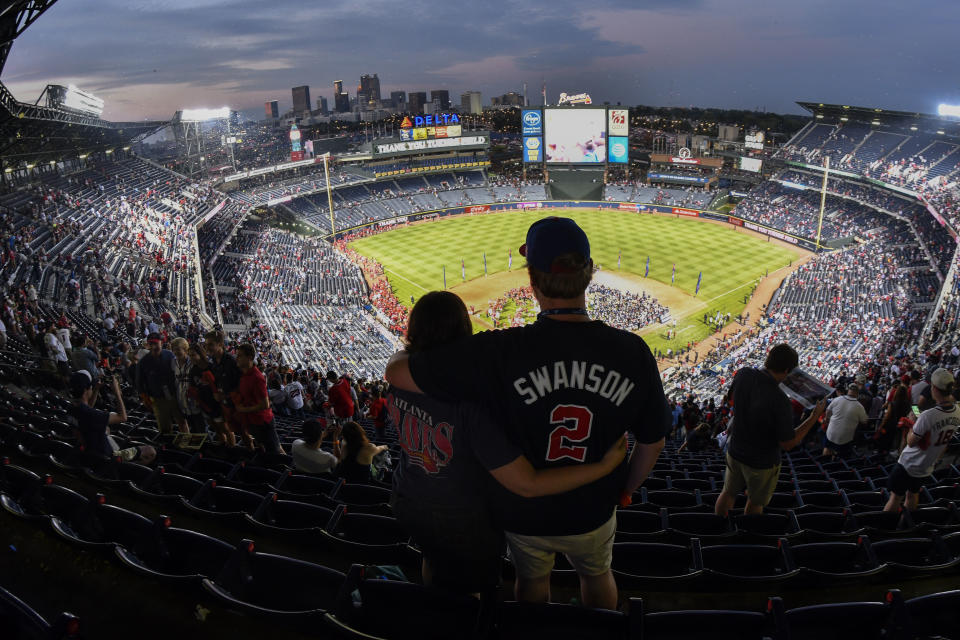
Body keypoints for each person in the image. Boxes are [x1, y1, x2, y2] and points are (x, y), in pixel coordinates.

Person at [386, 217, 670, 610]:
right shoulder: (633, 351)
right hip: (593, 508)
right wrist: (625, 488)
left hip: (523, 513)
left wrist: (410, 344)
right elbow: (653, 441)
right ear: (589, 273)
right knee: (598, 575)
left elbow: (397, 372)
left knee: (531, 582)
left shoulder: (499, 350)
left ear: (531, 280)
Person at [390, 291, 630, 597]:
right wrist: (605, 466)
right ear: (464, 333)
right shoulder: (471, 404)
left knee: (434, 559)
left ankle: (436, 607)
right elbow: (527, 483)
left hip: (408, 499)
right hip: (462, 516)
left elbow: (400, 363)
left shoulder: (397, 380)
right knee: (472, 588)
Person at [714, 344, 826, 517]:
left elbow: (731, 400)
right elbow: (788, 443)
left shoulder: (743, 373)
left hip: (735, 450)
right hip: (761, 462)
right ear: (788, 370)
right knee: (755, 502)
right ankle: (746, 536)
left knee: (728, 493)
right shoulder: (780, 400)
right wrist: (813, 418)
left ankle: (719, 527)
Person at [884, 368, 959, 512]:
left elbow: (911, 440)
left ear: (934, 388)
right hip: (927, 465)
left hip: (909, 464)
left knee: (895, 497)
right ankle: (906, 524)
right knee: (913, 494)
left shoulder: (928, 414)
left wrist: (913, 422)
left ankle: (886, 527)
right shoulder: (958, 411)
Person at [68, 370, 156, 465]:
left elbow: (87, 408)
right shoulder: (94, 415)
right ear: (86, 390)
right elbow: (123, 417)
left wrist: (97, 389)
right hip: (111, 458)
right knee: (150, 450)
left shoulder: (71, 409)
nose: (92, 388)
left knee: (106, 429)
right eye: (91, 386)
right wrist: (117, 391)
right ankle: (128, 469)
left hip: (89, 455)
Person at [234, 343, 285, 455]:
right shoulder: (243, 374)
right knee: (262, 446)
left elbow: (265, 404)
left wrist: (243, 409)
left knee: (275, 451)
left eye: (240, 355)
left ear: (250, 357)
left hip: (262, 422)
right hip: (252, 421)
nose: (237, 358)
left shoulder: (257, 378)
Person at [136, 333, 186, 434]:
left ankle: (187, 447)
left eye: (156, 343)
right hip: (158, 400)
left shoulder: (170, 355)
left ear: (161, 343)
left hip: (175, 396)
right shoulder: (143, 362)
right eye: (151, 344)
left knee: (182, 422)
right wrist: (145, 399)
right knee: (165, 428)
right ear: (148, 345)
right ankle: (169, 448)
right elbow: (139, 384)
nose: (154, 346)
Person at [822, 383, 868, 458]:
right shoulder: (860, 407)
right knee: (838, 453)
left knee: (827, 448)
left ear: (848, 391)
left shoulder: (837, 399)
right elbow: (864, 421)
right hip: (845, 438)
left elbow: (828, 411)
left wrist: (827, 419)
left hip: (831, 433)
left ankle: (824, 464)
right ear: (857, 394)